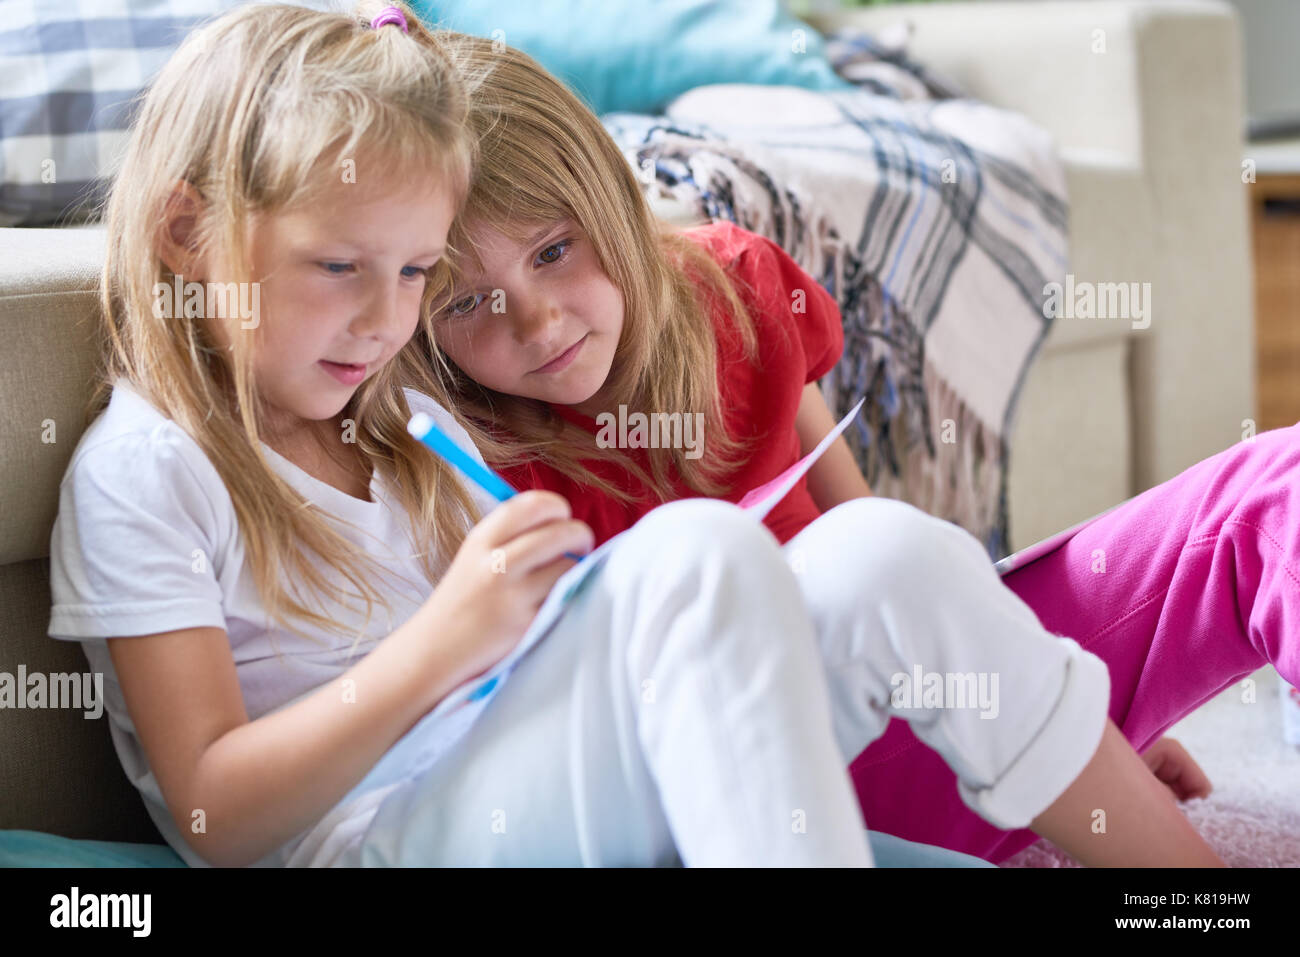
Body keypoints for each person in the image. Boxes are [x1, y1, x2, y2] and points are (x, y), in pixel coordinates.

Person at [42, 0, 985, 869]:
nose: (383, 320)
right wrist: (448, 640)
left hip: (524, 794)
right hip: (380, 840)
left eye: (414, 272)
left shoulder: (407, 437)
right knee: (699, 555)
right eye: (338, 265)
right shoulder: (145, 471)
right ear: (184, 231)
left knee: (874, 563)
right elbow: (211, 813)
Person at [420, 32, 1292, 865]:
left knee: (1273, 486)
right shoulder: (468, 462)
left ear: (611, 197)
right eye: (467, 304)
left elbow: (880, 535)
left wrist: (1067, 721)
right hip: (778, 790)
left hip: (939, 688)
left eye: (554, 249)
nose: (535, 321)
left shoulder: (733, 280)